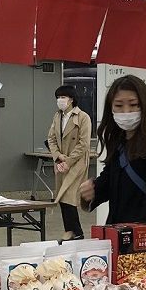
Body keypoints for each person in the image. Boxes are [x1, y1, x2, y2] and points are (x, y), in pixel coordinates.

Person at [80, 74, 146, 224]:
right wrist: (93, 190)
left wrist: (141, 235)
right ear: (110, 108)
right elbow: (111, 179)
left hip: (143, 233)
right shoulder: (118, 138)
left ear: (144, 105)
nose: (126, 112)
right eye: (119, 105)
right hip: (118, 228)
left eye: (133, 105)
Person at [47, 85, 92, 240]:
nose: (60, 100)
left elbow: (84, 143)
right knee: (61, 195)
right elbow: (51, 139)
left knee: (69, 196)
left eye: (63, 97)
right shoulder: (57, 117)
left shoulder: (83, 117)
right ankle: (73, 231)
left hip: (77, 162)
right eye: (58, 97)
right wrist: (58, 156)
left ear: (71, 99)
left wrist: (69, 160)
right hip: (61, 161)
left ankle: (75, 231)